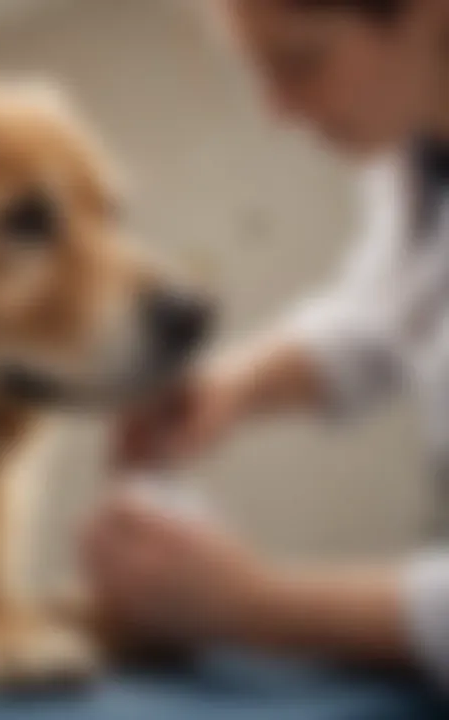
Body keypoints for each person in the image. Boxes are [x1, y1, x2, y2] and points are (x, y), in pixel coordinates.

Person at [84, 0, 449, 686]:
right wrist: (235, 388)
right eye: (258, 70)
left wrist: (255, 605)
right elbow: (395, 305)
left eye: (302, 61)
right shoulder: (420, 145)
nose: (277, 111)